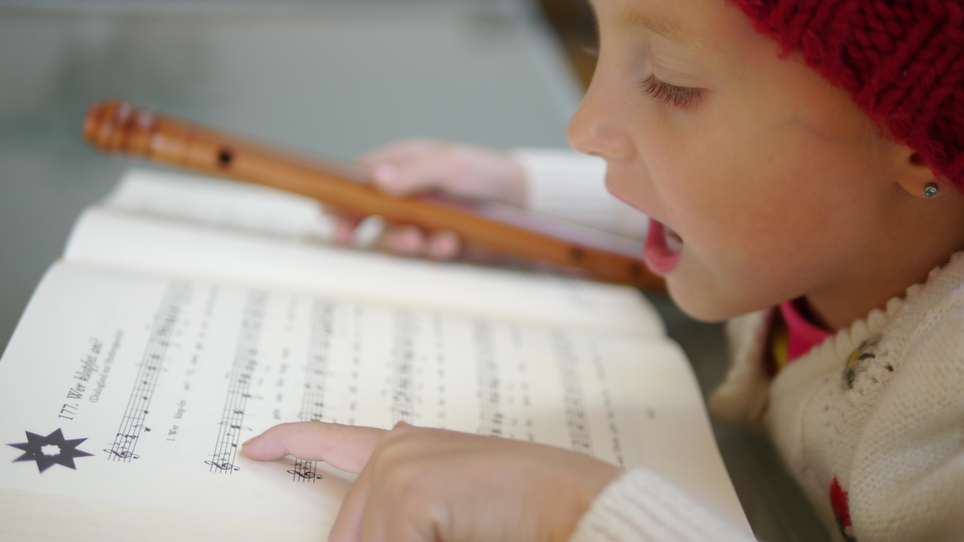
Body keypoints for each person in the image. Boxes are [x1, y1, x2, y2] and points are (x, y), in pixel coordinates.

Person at [242, 0, 964, 540]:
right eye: (596, 44)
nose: (583, 128)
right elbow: (740, 204)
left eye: (670, 83)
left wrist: (573, 509)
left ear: (918, 141)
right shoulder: (807, 235)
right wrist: (517, 194)